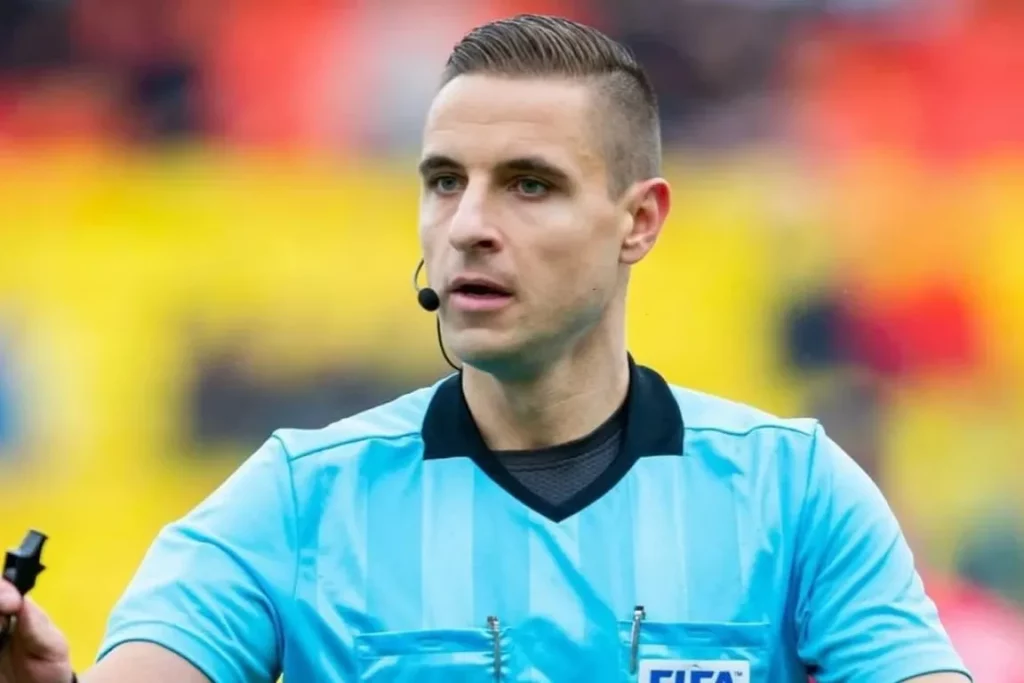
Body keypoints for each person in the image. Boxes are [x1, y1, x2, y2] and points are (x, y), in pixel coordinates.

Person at [0, 14, 972, 683]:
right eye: (443, 181)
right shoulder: (296, 501)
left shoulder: (795, 494)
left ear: (638, 220)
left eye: (528, 184)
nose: (467, 224)